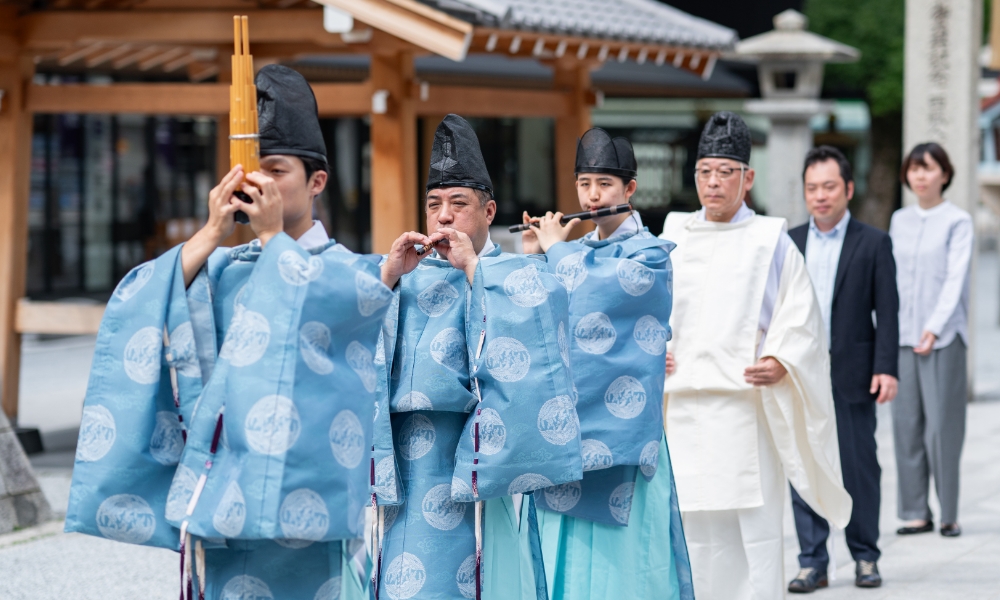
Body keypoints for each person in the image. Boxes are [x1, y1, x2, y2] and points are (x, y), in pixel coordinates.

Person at [65, 65, 388, 600]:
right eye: (249, 171)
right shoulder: (221, 268)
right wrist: (211, 233)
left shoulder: (350, 271)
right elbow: (140, 302)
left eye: (276, 171)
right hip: (223, 492)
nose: (257, 184)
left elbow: (340, 316)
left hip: (302, 506)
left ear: (317, 182)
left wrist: (270, 243)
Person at [371, 114, 582, 600]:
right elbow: (351, 336)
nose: (443, 216)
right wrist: (385, 280)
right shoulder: (402, 273)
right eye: (434, 204)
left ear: (489, 212)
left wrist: (474, 274)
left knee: (487, 574)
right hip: (409, 457)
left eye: (458, 204)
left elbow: (542, 346)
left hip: (481, 457)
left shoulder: (515, 276)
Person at [661, 111, 852, 600]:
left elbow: (800, 314)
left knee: (755, 532)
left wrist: (783, 358)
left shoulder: (772, 239)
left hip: (745, 405)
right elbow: (651, 308)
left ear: (747, 178)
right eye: (705, 171)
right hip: (683, 408)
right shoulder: (673, 235)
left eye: (726, 172)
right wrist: (652, 349)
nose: (713, 183)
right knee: (692, 528)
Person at [521, 128, 693, 600]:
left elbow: (605, 289)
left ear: (630, 189)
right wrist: (538, 258)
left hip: (626, 436)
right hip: (570, 436)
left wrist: (556, 252)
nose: (592, 196)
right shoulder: (570, 253)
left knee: (627, 564)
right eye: (583, 184)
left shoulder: (651, 254)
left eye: (605, 184)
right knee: (568, 556)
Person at [786, 146, 899, 592]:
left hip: (853, 373)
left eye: (829, 186)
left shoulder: (873, 242)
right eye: (812, 188)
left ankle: (865, 556)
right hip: (801, 375)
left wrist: (886, 367)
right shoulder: (789, 242)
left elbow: (888, 312)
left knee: (859, 469)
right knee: (805, 468)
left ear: (848, 189)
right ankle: (813, 561)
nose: (820, 196)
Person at [889, 142, 973, 538]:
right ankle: (915, 511)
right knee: (906, 425)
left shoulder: (958, 221)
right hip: (903, 337)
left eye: (929, 168)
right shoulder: (899, 220)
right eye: (914, 169)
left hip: (943, 339)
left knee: (942, 428)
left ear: (945, 173)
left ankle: (949, 513)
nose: (920, 176)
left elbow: (956, 279)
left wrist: (935, 326)